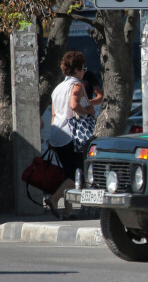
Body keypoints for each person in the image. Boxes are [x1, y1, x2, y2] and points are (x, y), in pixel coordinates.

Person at [47, 50, 95, 220]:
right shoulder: (76, 85)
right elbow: (74, 106)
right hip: (70, 135)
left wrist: (52, 137)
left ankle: (69, 211)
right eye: (83, 69)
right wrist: (88, 110)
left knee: (69, 172)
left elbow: (54, 114)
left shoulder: (57, 89)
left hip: (57, 134)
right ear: (76, 70)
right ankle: (53, 199)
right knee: (79, 171)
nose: (84, 72)